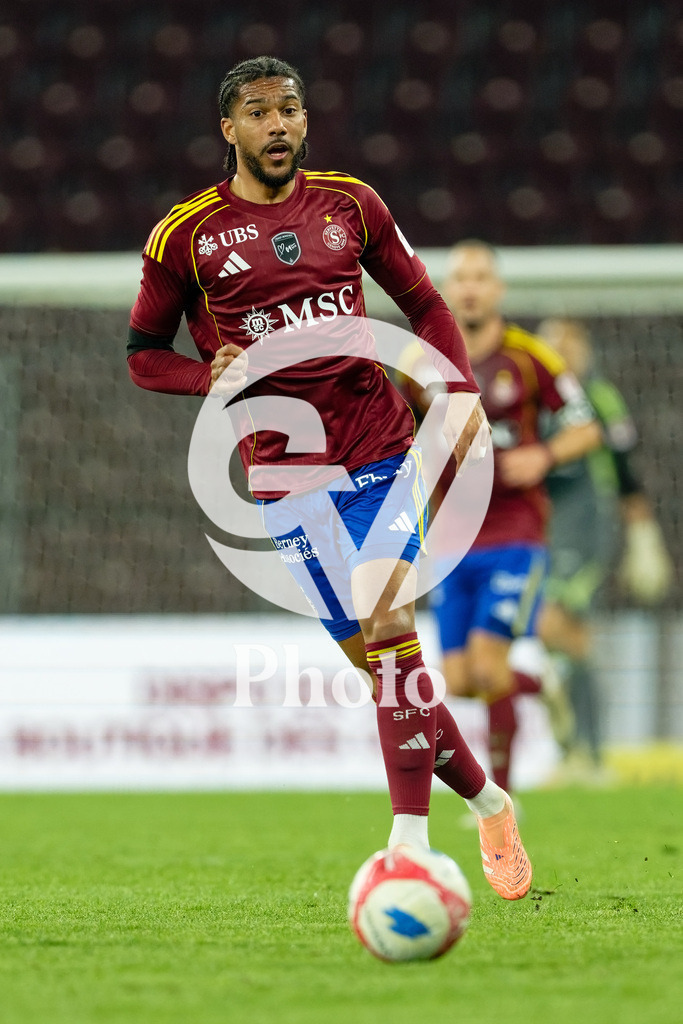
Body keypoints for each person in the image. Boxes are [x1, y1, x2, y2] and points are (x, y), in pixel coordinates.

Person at [126, 56, 533, 899]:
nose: (278, 125)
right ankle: (491, 802)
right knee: (387, 673)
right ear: (228, 129)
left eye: (290, 109)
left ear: (305, 122)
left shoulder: (351, 203)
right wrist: (211, 377)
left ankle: (409, 848)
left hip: (380, 449)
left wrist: (454, 397)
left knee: (391, 627)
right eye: (258, 112)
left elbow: (425, 305)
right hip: (284, 479)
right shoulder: (187, 235)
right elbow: (141, 359)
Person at [398, 240, 602, 796]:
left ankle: (500, 801)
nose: (470, 287)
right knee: (462, 681)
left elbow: (587, 427)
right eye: (460, 277)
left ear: (498, 289)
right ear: (445, 290)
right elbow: (397, 435)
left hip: (517, 533)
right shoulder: (419, 364)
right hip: (454, 540)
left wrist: (545, 454)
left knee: (489, 670)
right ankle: (542, 681)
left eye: (481, 277)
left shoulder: (532, 357)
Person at [536, 317, 673, 779]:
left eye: (569, 344)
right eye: (553, 346)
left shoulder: (598, 396)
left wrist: (643, 534)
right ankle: (580, 754)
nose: (562, 354)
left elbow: (624, 468)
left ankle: (585, 754)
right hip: (547, 528)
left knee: (557, 625)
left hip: (590, 525)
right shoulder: (536, 400)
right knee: (568, 640)